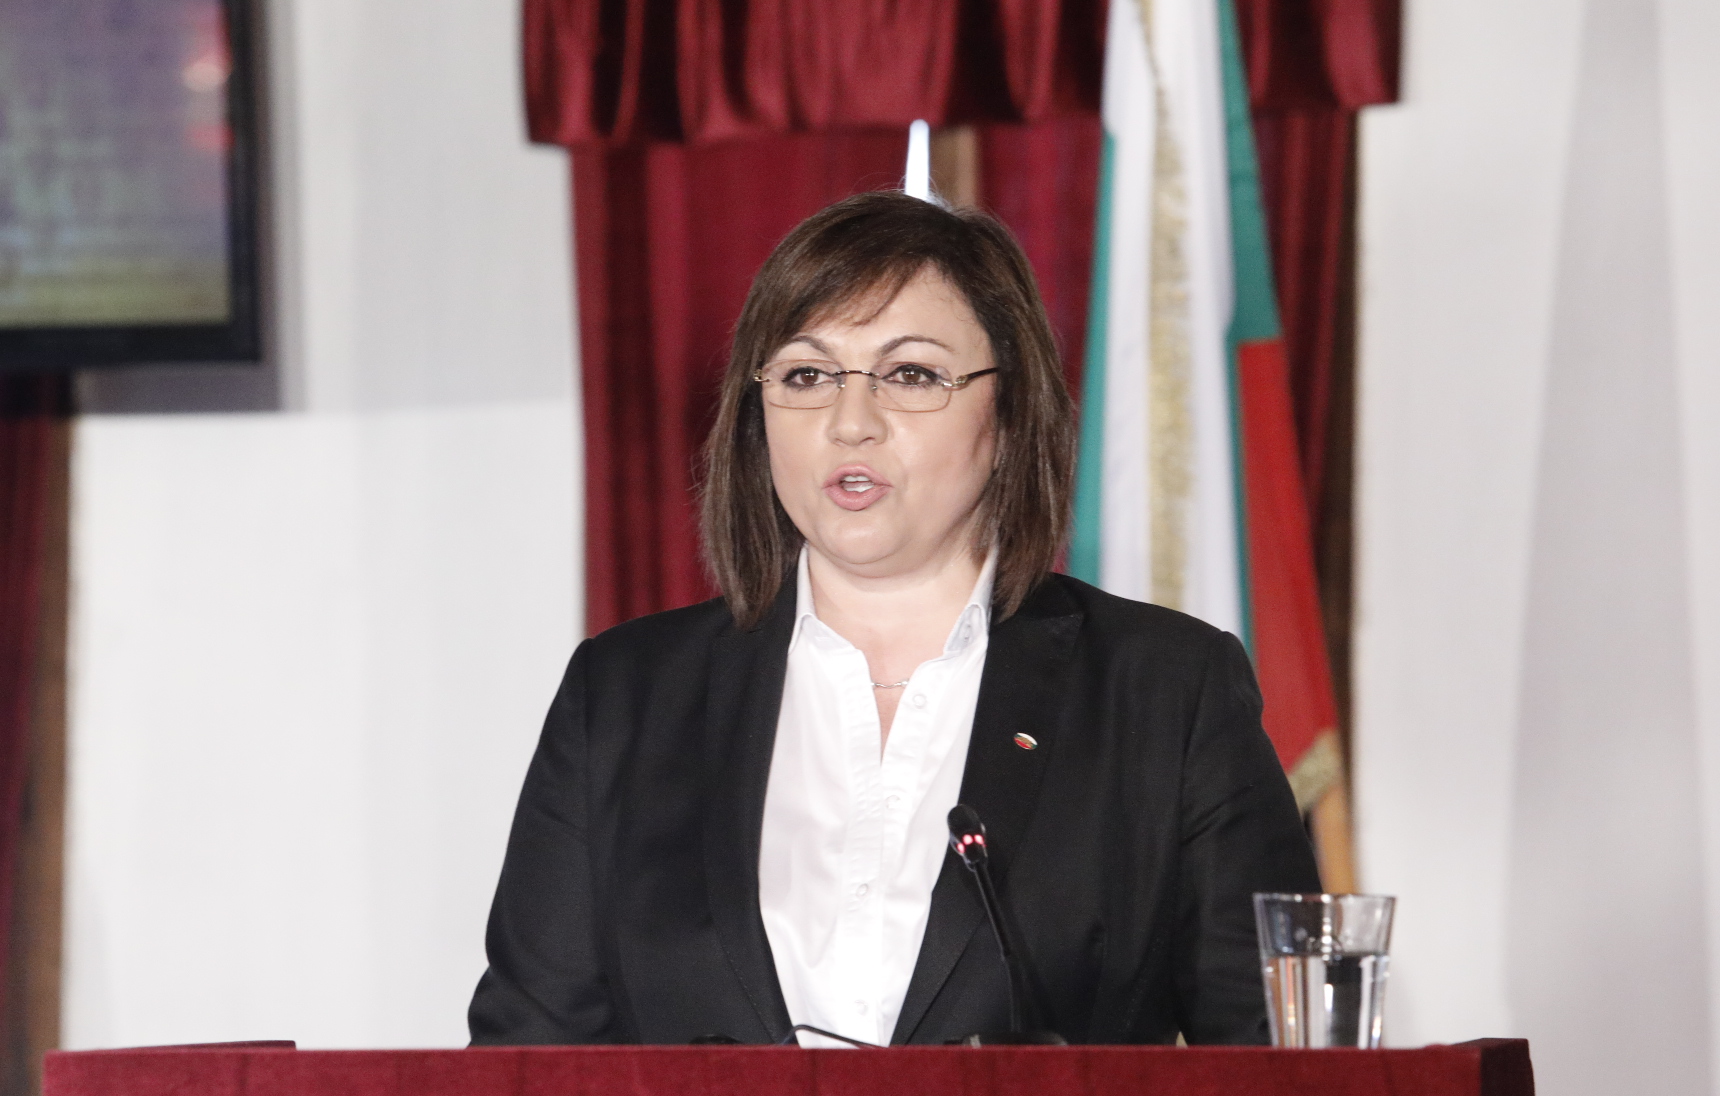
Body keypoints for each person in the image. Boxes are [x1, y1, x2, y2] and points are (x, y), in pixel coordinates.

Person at [467, 191, 1319, 1047]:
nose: (850, 424)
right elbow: (525, 1077)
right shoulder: (626, 697)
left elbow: (1279, 1080)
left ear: (1009, 413)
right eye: (806, 375)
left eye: (911, 375)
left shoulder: (1164, 692)